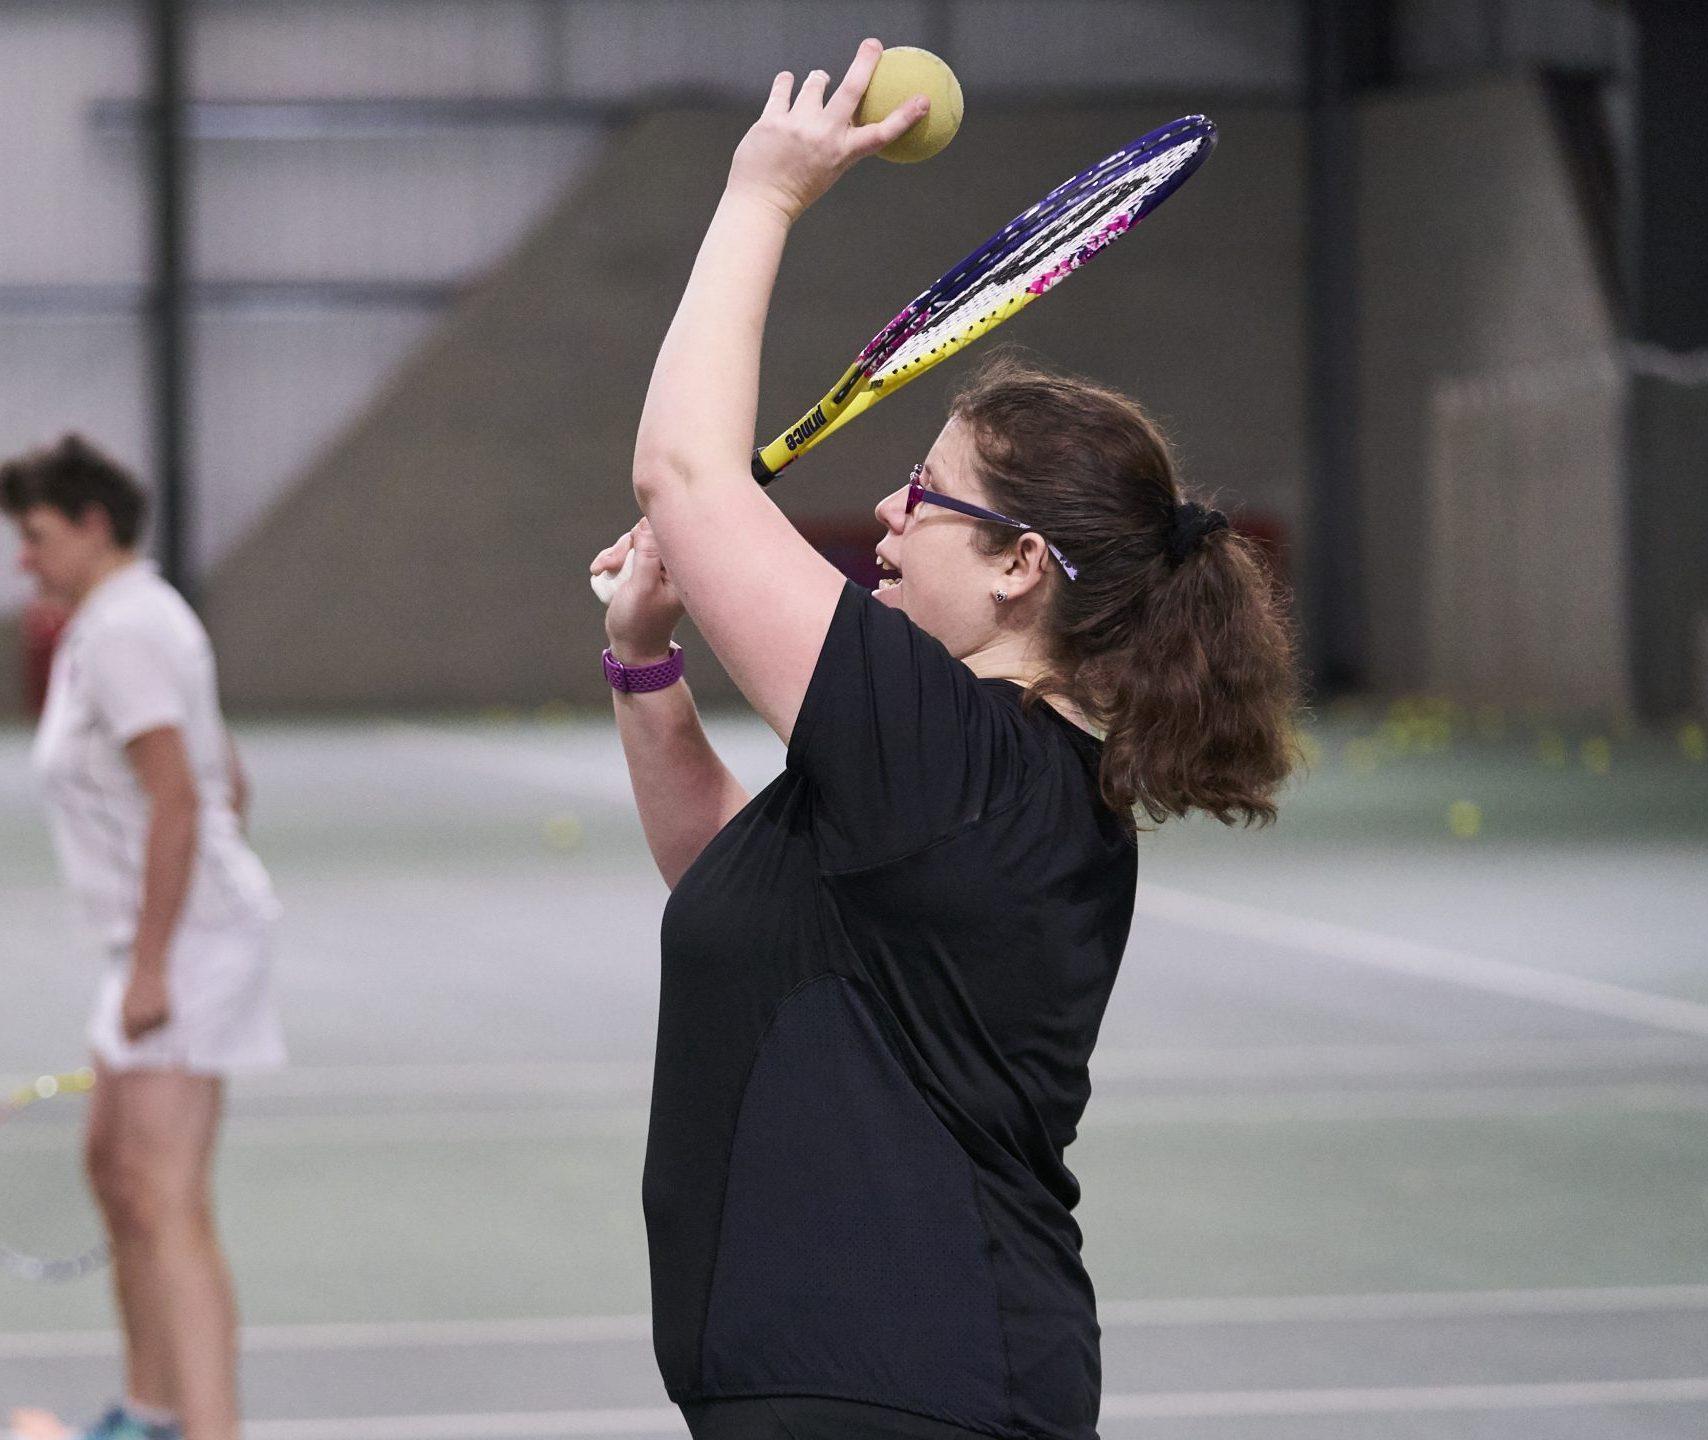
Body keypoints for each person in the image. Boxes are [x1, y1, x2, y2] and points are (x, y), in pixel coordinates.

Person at [590, 41, 1299, 1440]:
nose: (891, 518)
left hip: (915, 1387)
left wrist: (761, 197)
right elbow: (735, 884)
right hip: (857, 1383)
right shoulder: (955, 772)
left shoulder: (957, 757)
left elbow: (683, 466)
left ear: (1024, 566)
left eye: (931, 496)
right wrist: (642, 659)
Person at [2, 436, 283, 1440]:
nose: (22, 558)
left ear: (90, 524)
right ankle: (147, 1415)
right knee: (114, 1174)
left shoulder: (125, 631)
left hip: (178, 949)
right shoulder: (118, 623)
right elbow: (224, 779)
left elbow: (175, 800)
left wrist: (165, 959)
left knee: (167, 1206)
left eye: (33, 537)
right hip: (156, 938)